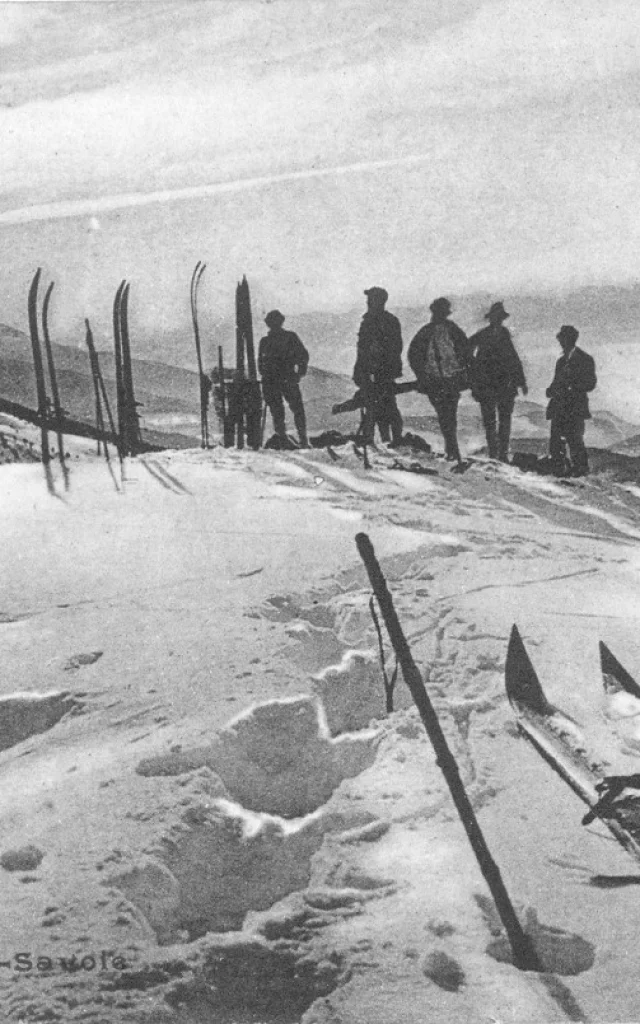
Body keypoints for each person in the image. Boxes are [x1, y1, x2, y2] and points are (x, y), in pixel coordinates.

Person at [407, 297, 471, 463]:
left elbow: (466, 352)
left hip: (451, 380)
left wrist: (464, 372)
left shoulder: (451, 330)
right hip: (435, 381)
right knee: (445, 415)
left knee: (449, 415)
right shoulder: (426, 332)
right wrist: (422, 376)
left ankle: (452, 449)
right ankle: (452, 450)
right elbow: (413, 355)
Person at [469, 301, 528, 462]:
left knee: (504, 420)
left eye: (500, 318)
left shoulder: (504, 334)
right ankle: (494, 453)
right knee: (489, 421)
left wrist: (521, 382)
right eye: (496, 318)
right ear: (491, 319)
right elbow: (466, 349)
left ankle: (502, 454)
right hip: (487, 384)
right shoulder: (482, 335)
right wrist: (475, 369)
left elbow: (514, 358)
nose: (498, 320)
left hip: (505, 385)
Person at [353, 287, 403, 446]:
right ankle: (380, 441)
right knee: (374, 407)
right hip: (370, 372)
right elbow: (361, 350)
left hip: (382, 372)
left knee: (385, 407)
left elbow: (395, 348)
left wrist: (380, 367)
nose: (367, 302)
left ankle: (391, 441)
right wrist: (359, 370)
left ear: (378, 301)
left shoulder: (387, 321)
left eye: (370, 299)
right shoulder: (369, 321)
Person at [546, 325, 597, 477]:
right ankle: (558, 470)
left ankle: (581, 471)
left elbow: (591, 383)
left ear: (571, 340)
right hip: (559, 406)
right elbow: (556, 382)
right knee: (556, 439)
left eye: (563, 339)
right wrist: (550, 390)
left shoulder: (585, 359)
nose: (561, 343)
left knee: (575, 440)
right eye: (560, 339)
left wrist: (572, 387)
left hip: (575, 407)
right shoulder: (561, 361)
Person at [258, 310, 309, 447]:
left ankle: (296, 439)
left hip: (280, 380)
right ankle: (292, 440)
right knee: (288, 411)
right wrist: (299, 373)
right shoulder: (270, 340)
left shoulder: (275, 340)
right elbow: (303, 356)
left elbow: (303, 355)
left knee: (284, 411)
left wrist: (299, 373)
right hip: (281, 380)